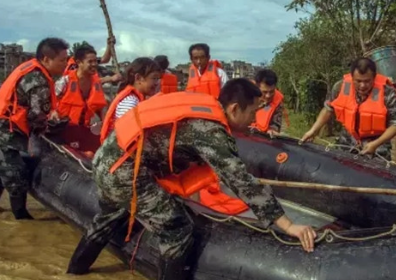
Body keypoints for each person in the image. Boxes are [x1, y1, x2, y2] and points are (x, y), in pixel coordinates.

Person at [66, 79, 316, 280]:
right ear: (234, 109)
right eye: (252, 112)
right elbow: (242, 181)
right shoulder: (210, 131)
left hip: (107, 160)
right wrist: (288, 225)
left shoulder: (206, 105)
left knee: (107, 218)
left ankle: (74, 271)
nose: (254, 119)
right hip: (124, 172)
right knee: (178, 230)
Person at [0, 37, 69, 219]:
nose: (65, 64)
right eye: (62, 60)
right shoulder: (38, 80)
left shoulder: (31, 68)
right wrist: (50, 130)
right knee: (16, 175)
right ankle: (22, 218)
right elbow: (37, 117)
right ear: (47, 59)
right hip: (3, 131)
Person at [301, 58, 396, 160]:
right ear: (352, 78)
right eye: (358, 81)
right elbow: (328, 109)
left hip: (377, 145)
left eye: (367, 81)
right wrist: (313, 130)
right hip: (346, 142)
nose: (362, 85)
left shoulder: (389, 93)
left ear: (374, 77)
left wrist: (375, 144)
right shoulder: (340, 87)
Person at [99, 57, 161, 142]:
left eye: (158, 79)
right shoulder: (130, 102)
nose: (157, 83)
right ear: (138, 78)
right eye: (154, 78)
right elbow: (128, 136)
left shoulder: (136, 99)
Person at [55, 45, 117, 126]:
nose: (94, 64)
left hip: (84, 128)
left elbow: (101, 107)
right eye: (90, 62)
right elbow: (51, 104)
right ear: (78, 62)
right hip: (62, 128)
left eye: (95, 61)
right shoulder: (64, 82)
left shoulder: (96, 82)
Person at [250, 69, 285, 136]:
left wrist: (272, 131)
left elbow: (276, 125)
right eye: (264, 92)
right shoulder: (245, 96)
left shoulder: (277, 102)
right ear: (257, 87)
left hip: (262, 138)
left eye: (271, 92)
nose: (268, 96)